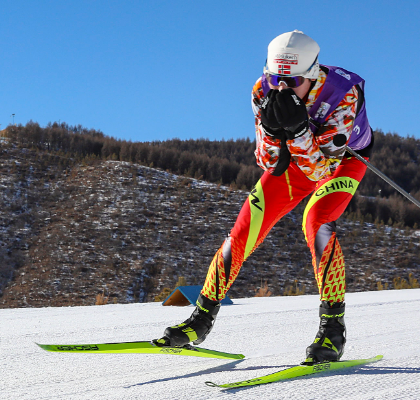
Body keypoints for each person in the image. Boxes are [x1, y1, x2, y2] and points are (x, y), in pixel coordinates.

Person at [154, 30, 373, 363]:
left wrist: (299, 132)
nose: (282, 87)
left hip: (341, 162)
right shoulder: (262, 89)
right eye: (276, 77)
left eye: (293, 80)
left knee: (317, 224)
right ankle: (200, 320)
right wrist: (273, 133)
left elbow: (319, 172)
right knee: (242, 232)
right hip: (297, 163)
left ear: (312, 75)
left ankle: (332, 330)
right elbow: (269, 161)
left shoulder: (344, 95)